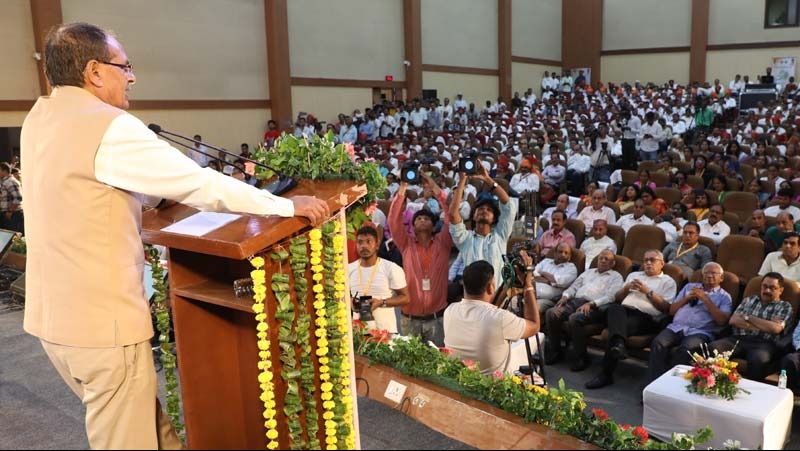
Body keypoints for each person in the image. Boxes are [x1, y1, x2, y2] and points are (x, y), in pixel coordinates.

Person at [20, 22, 330, 450]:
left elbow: (82, 185)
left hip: (54, 321)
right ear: (94, 71)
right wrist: (284, 206)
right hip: (103, 325)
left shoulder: (40, 117)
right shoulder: (109, 125)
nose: (132, 76)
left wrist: (149, 197)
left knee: (154, 433)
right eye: (124, 66)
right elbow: (201, 185)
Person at [585, 250, 677, 389]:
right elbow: (618, 298)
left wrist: (648, 292)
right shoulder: (634, 275)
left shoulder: (668, 281)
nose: (648, 263)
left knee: (616, 332)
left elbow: (666, 308)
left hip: (647, 317)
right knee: (615, 308)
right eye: (645, 260)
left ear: (662, 263)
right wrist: (627, 289)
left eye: (652, 260)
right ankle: (619, 346)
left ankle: (605, 373)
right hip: (623, 312)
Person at [443, 259, 541, 376]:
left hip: (458, 382)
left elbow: (485, 312)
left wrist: (505, 289)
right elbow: (534, 326)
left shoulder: (450, 310)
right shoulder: (501, 319)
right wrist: (528, 285)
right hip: (491, 389)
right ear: (490, 287)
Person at [388, 176, 452, 346]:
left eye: (427, 219)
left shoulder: (443, 242)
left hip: (437, 318)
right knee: (408, 368)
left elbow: (450, 216)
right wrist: (403, 187)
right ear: (413, 226)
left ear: (433, 226)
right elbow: (393, 220)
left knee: (437, 364)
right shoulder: (405, 243)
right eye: (418, 219)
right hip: (410, 319)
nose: (422, 220)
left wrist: (436, 189)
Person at [648, 262, 732, 383]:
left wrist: (705, 299)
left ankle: (672, 384)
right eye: (706, 273)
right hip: (676, 327)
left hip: (700, 332)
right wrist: (686, 298)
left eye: (713, 273)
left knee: (686, 349)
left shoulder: (724, 297)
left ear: (721, 278)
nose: (709, 276)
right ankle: (653, 384)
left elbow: (722, 321)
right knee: (657, 343)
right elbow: (672, 311)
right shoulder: (689, 287)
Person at [544, 250, 624, 368]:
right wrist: (565, 296)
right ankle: (556, 351)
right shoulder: (588, 273)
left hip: (596, 307)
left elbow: (611, 297)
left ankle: (581, 357)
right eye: (601, 258)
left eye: (606, 259)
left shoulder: (616, 277)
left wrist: (592, 304)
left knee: (575, 318)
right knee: (552, 313)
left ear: (612, 263)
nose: (602, 260)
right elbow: (574, 287)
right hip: (575, 302)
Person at [709, 272, 793, 381]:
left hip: (764, 343)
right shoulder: (749, 300)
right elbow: (733, 320)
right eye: (765, 286)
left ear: (780, 290)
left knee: (759, 360)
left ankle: (752, 393)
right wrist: (766, 324)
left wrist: (748, 317)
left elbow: (775, 329)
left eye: (772, 288)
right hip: (738, 338)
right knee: (713, 348)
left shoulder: (785, 306)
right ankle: (713, 383)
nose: (767, 290)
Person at [449, 161, 517, 289]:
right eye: (480, 209)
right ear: (473, 216)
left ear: (494, 219)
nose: (484, 210)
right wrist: (462, 180)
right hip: (473, 299)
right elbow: (453, 215)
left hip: (497, 297)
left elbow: (509, 207)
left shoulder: (500, 235)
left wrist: (488, 179)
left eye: (489, 210)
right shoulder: (465, 239)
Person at [348, 225, 410, 334]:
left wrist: (381, 302)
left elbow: (405, 298)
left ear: (377, 245)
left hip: (386, 331)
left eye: (369, 242)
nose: (364, 246)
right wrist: (350, 303)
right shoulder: (348, 269)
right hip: (358, 332)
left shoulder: (391, 268)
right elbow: (344, 297)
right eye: (360, 242)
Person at [533, 242, 578, 315]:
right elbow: (533, 273)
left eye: (566, 253)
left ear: (569, 257)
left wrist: (543, 273)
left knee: (533, 308)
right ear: (555, 253)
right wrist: (549, 281)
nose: (563, 254)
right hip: (530, 291)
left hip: (547, 299)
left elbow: (561, 282)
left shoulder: (571, 268)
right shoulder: (546, 261)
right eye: (560, 252)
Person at [0, 162, 24, 233]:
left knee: (12, 236)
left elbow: (18, 197)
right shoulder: (4, 181)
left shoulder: (10, 181)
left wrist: (10, 211)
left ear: (4, 171)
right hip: (7, 213)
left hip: (13, 214)